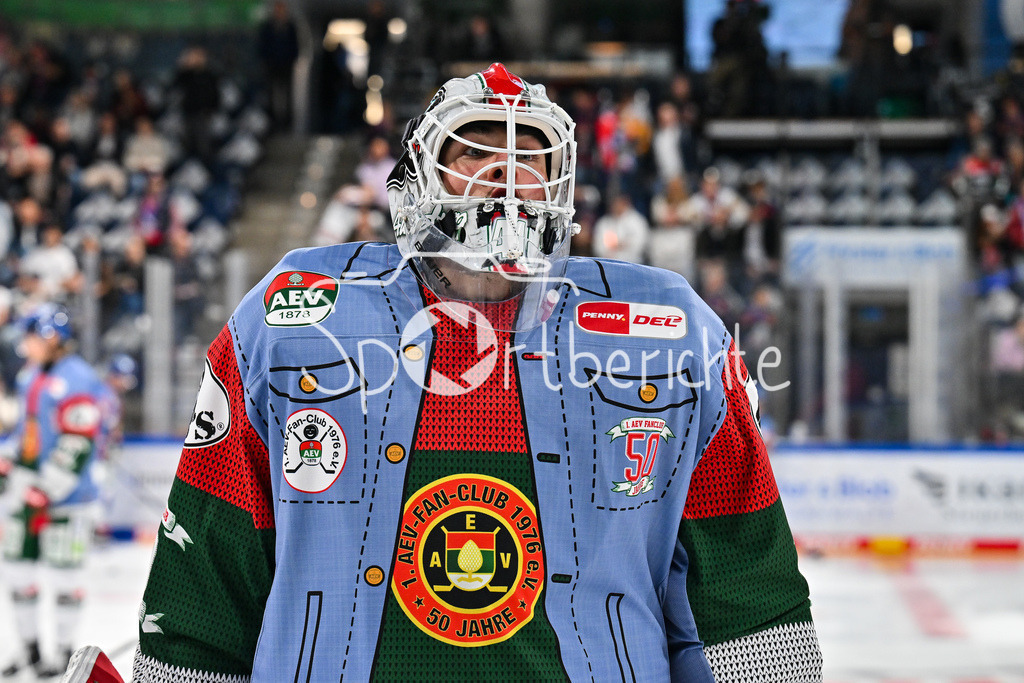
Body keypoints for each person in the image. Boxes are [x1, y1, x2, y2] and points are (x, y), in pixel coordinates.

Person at [121, 63, 820, 681]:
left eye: (531, 160)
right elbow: (206, 584)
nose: (507, 174)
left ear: (564, 186)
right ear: (419, 179)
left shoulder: (672, 329)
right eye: (477, 152)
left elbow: (742, 596)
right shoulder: (292, 314)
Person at [0, 304, 110, 677]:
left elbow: (78, 441)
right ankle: (29, 651)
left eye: (30, 336)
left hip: (69, 499)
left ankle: (63, 656)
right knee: (17, 574)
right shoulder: (30, 376)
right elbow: (26, 433)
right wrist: (7, 459)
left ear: (50, 336)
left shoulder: (78, 379)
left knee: (65, 579)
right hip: (25, 490)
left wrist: (46, 487)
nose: (24, 345)